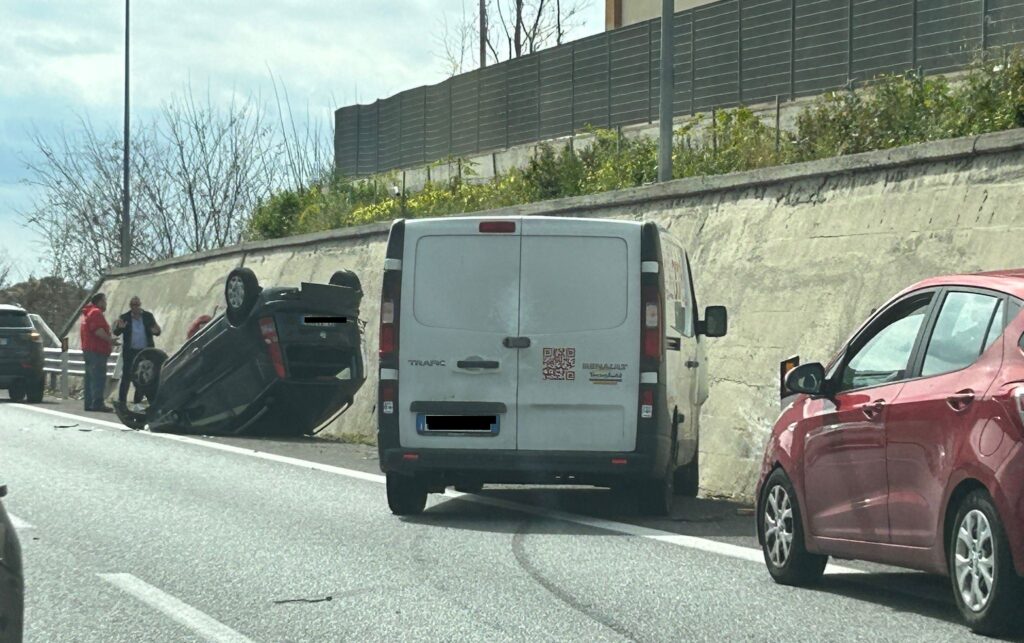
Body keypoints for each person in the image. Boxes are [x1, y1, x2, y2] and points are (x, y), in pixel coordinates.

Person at [113, 296, 162, 405]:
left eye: (137, 305)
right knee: (126, 376)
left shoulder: (148, 316)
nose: (135, 307)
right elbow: (116, 332)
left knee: (142, 378)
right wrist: (120, 327)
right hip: (130, 352)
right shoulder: (125, 317)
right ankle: (122, 401)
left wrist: (156, 331)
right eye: (133, 305)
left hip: (145, 352)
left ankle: (137, 402)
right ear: (130, 306)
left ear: (140, 305)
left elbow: (157, 331)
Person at [79, 293, 118, 412]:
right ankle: (97, 403)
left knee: (90, 377)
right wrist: (110, 340)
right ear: (100, 301)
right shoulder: (96, 312)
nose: (106, 304)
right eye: (105, 301)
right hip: (96, 350)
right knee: (98, 377)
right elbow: (97, 330)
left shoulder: (87, 313)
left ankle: (89, 403)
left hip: (88, 349)